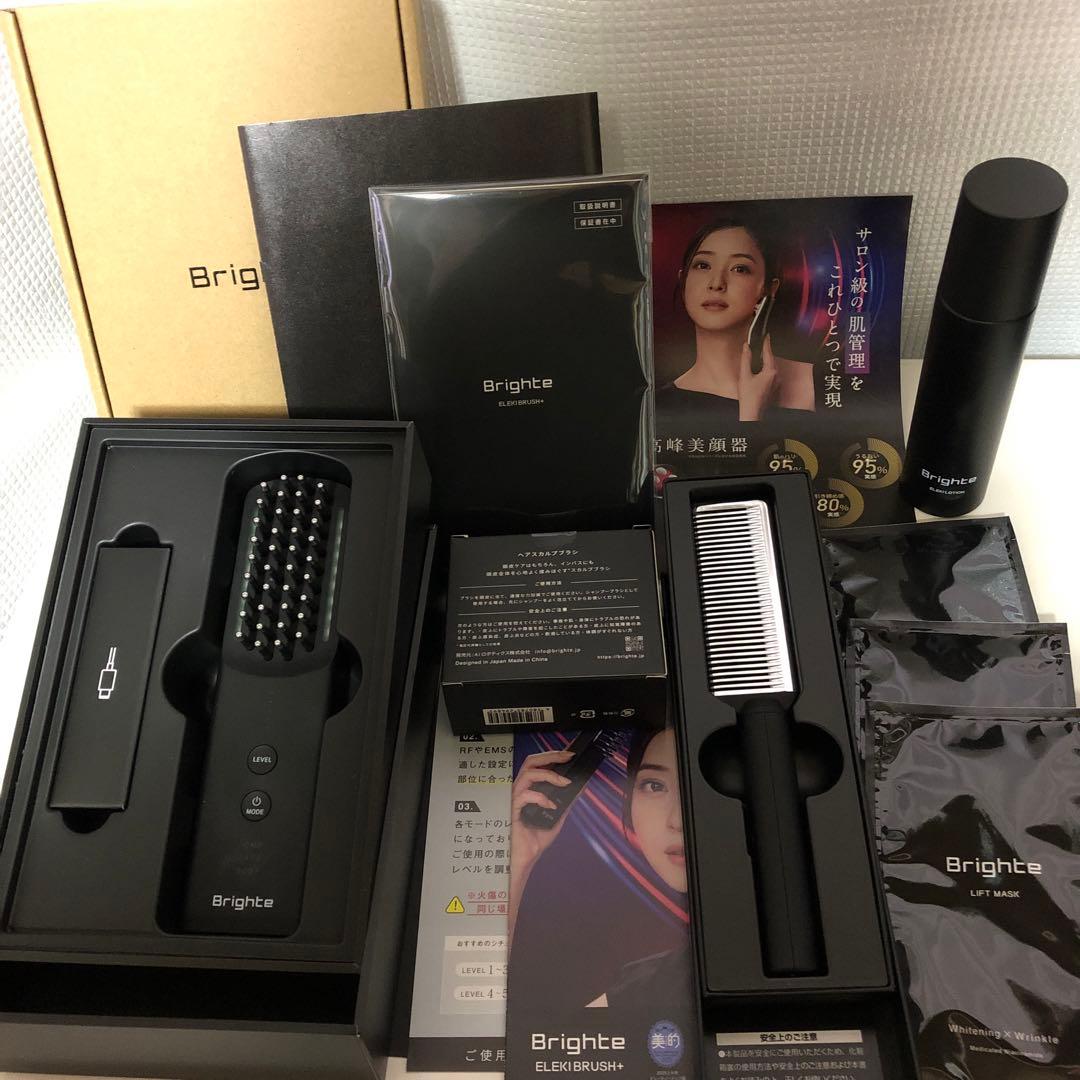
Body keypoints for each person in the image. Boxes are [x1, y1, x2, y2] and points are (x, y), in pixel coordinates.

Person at [508, 727, 692, 1009]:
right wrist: (521, 856)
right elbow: (476, 1018)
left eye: (694, 785)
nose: (677, 820)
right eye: (654, 785)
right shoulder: (641, 989)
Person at [656, 217, 815, 422]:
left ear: (768, 289)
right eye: (703, 265)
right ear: (683, 280)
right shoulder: (660, 405)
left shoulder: (815, 383)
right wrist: (751, 413)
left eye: (740, 269)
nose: (716, 283)